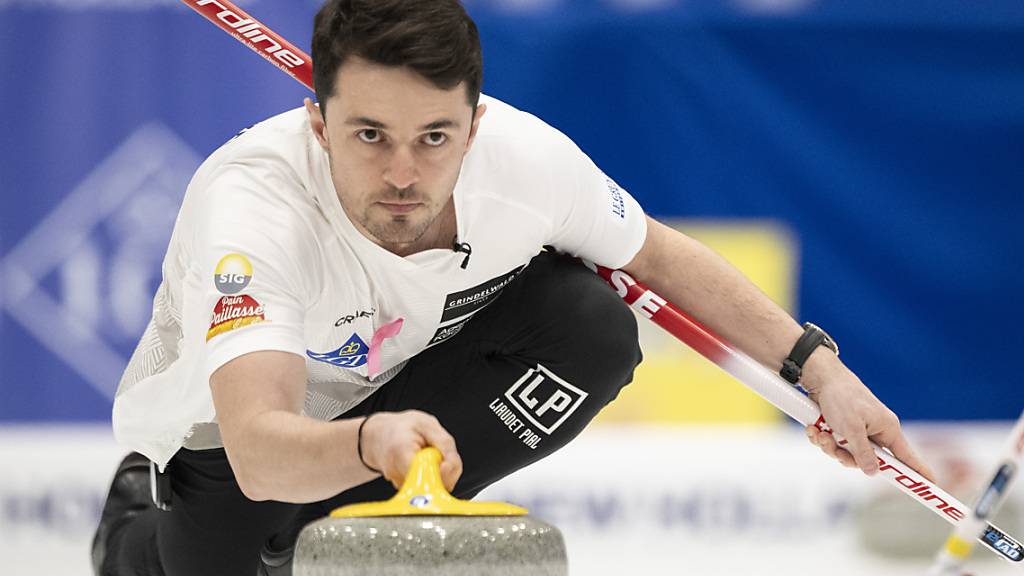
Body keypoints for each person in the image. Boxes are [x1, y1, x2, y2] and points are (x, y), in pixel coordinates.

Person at [92, 0, 933, 574]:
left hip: (400, 395)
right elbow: (260, 446)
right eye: (369, 135)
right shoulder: (251, 205)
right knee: (205, 551)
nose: (402, 172)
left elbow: (663, 261)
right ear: (318, 124)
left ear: (475, 124)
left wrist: (824, 375)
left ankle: (376, 524)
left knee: (591, 323)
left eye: (434, 136)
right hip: (237, 449)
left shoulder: (525, 162)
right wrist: (364, 445)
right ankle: (134, 532)